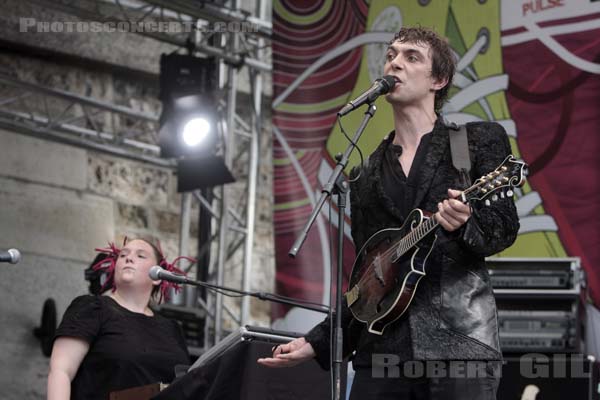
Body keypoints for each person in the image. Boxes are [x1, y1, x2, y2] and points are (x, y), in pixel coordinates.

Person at [258, 26, 520, 399]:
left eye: (411, 57)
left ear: (438, 79)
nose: (396, 62)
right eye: (391, 55)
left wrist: (465, 224)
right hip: (381, 353)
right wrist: (318, 341)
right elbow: (369, 279)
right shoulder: (363, 176)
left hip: (459, 346)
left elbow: (502, 230)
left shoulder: (476, 142)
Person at [47, 238, 193, 400]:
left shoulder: (171, 328)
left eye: (141, 256)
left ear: (158, 276)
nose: (128, 258)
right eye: (123, 255)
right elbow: (61, 371)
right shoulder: (93, 307)